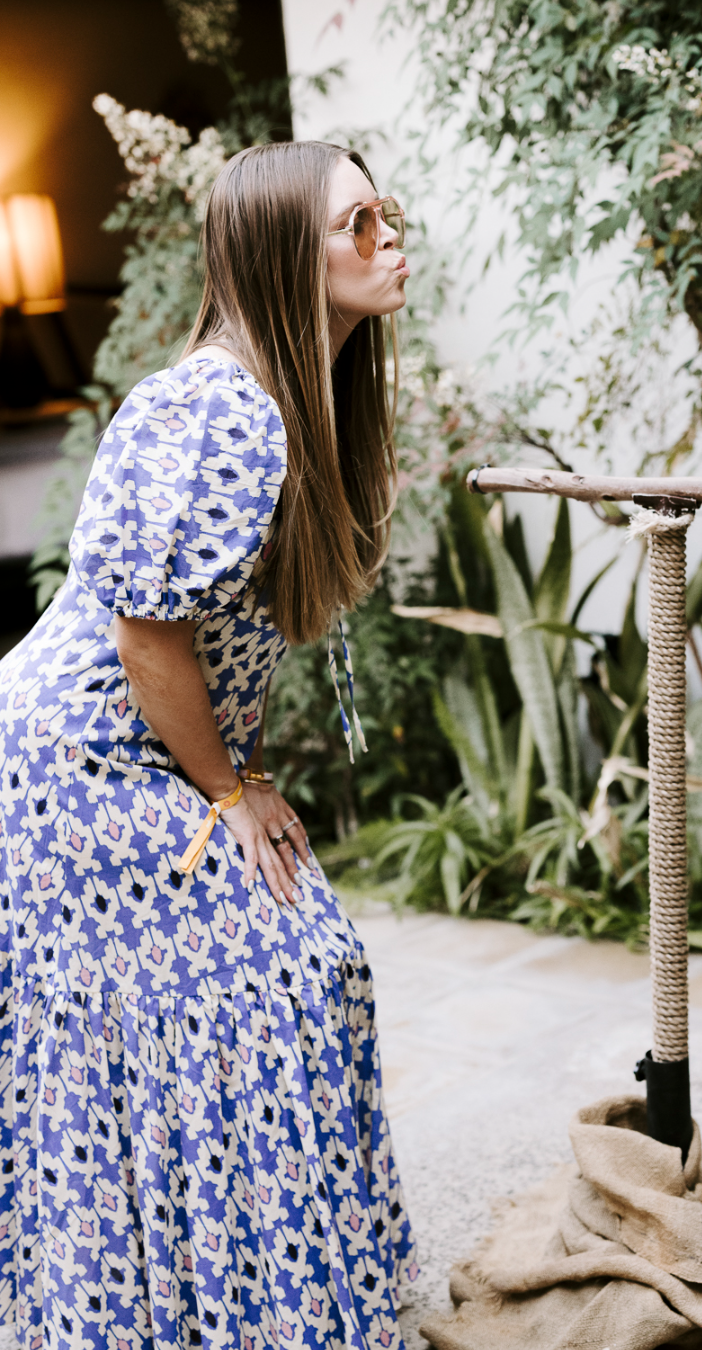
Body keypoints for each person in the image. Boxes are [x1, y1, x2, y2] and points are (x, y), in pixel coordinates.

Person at [0, 141, 418, 1350]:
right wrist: (226, 791)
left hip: (143, 750)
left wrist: (248, 769)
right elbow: (147, 632)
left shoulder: (303, 400)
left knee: (297, 976)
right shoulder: (219, 407)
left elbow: (243, 639)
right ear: (289, 255)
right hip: (76, 760)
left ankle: (252, 1302)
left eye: (386, 215)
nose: (386, 239)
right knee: (276, 986)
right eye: (356, 224)